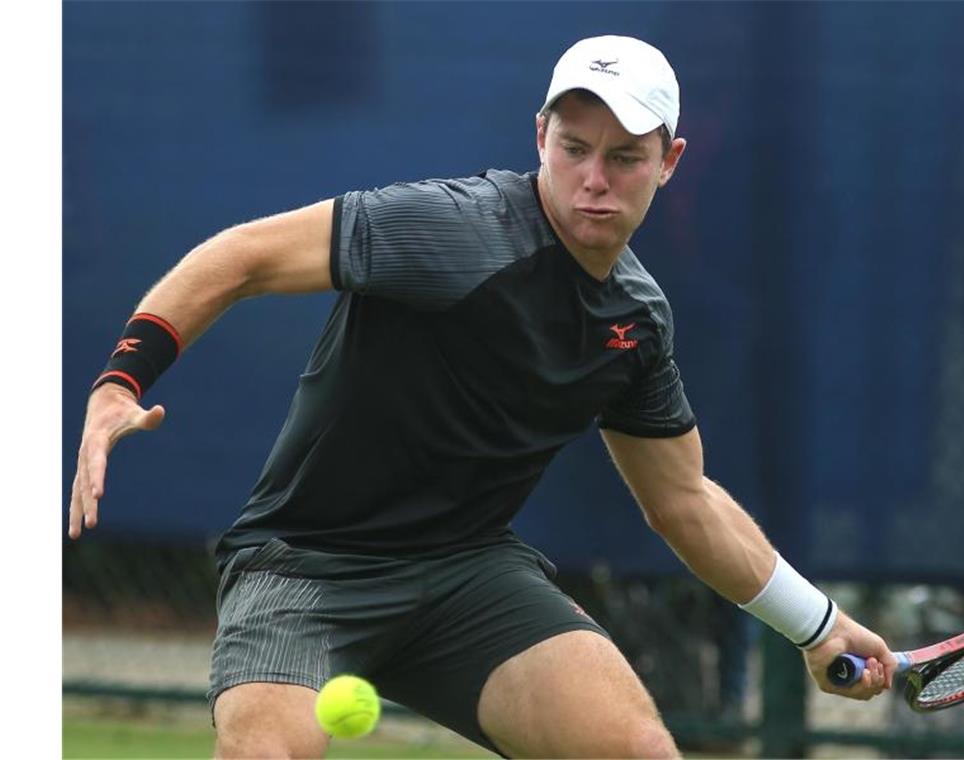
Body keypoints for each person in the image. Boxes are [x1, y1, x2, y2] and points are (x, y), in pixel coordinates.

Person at [69, 35, 895, 758]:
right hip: (304, 567)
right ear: (540, 137)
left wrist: (818, 626)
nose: (593, 180)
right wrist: (119, 382)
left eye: (624, 158)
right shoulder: (447, 229)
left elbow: (684, 501)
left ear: (669, 163)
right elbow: (241, 256)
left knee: (638, 751)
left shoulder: (635, 323)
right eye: (574, 148)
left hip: (466, 577)